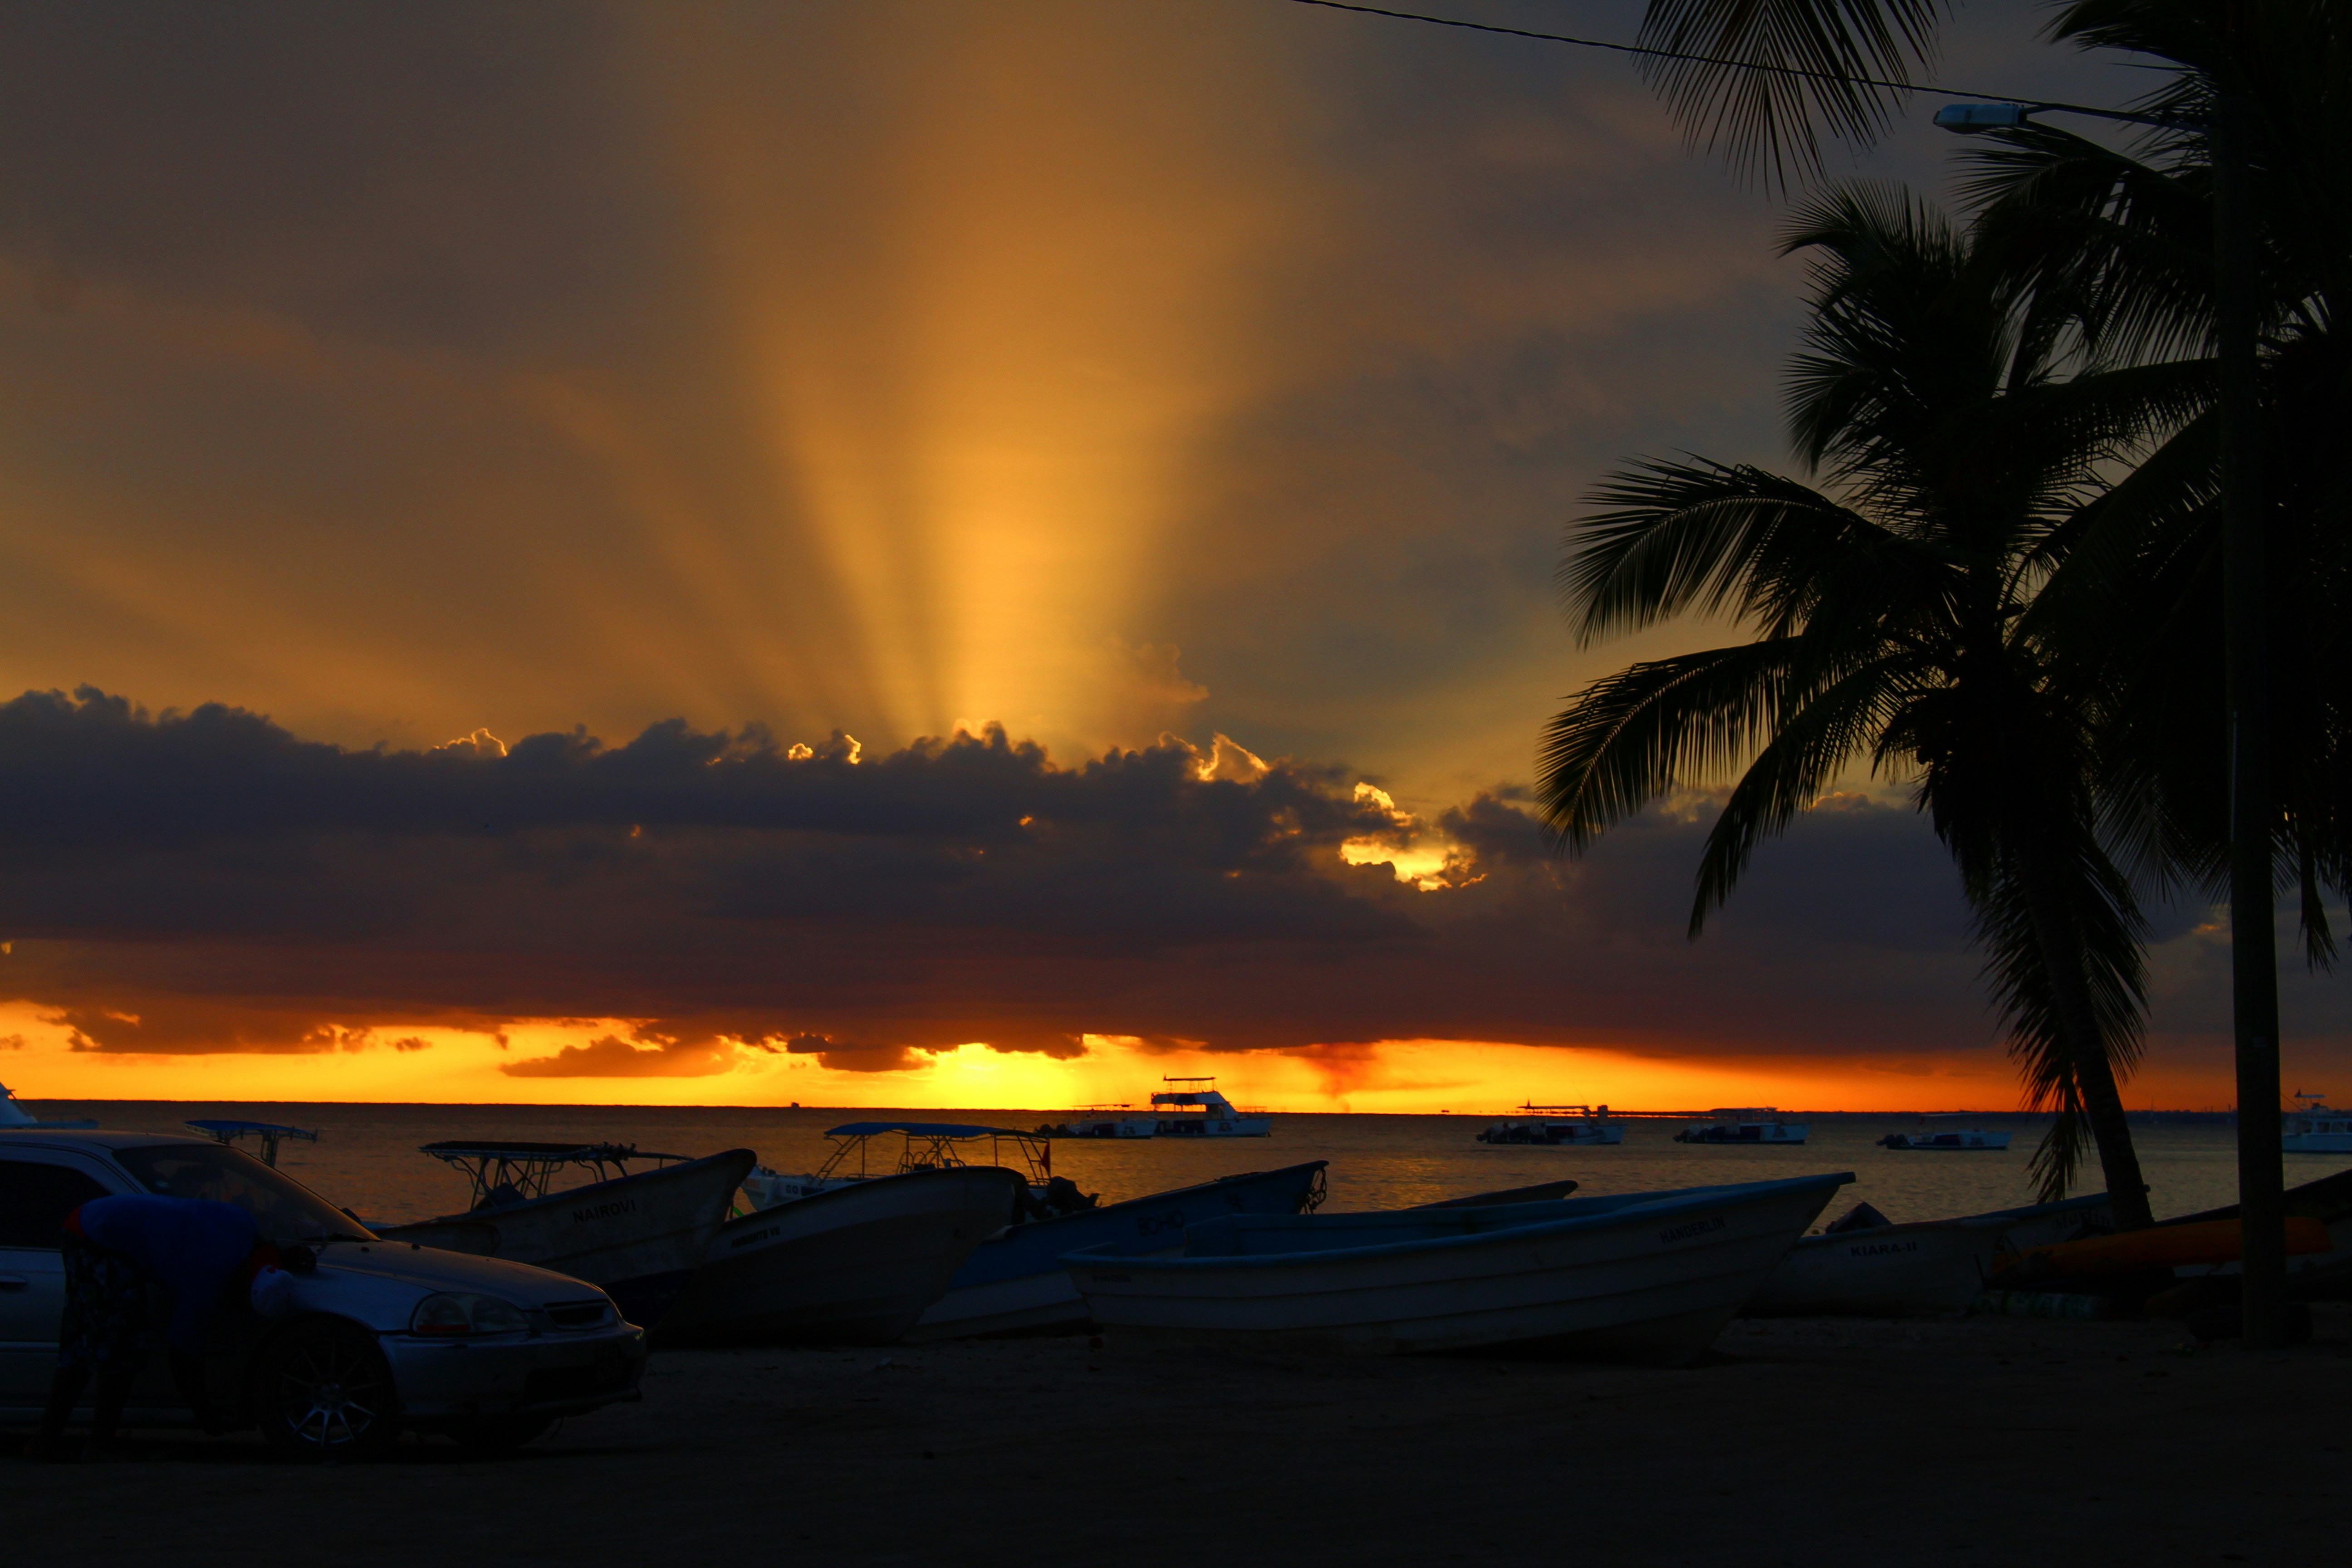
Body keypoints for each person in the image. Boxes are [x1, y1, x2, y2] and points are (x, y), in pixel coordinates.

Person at [24, 1194, 281, 1461]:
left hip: (91, 1219)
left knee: (82, 1345)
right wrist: (204, 1413)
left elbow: (268, 1249)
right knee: (121, 1346)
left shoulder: (246, 1227)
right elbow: (183, 1356)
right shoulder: (206, 1284)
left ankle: (46, 1439)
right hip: (98, 1238)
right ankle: (98, 1444)